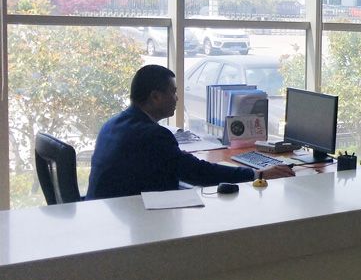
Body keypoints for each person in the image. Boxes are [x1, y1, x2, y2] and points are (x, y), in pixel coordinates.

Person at [87, 64, 294, 199]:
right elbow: (197, 173)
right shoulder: (153, 136)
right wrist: (258, 173)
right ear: (155, 97)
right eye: (173, 92)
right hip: (135, 217)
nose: (177, 98)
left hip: (104, 211)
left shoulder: (112, 125)